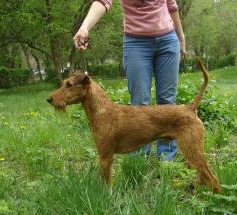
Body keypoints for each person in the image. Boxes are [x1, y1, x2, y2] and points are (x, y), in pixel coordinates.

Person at [74, 0, 185, 161]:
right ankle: (139, 159)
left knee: (167, 101)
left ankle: (166, 160)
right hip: (137, 44)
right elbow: (103, 2)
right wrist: (84, 27)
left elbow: (171, 5)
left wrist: (181, 38)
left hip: (168, 40)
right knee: (139, 103)